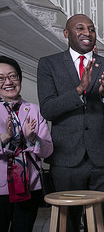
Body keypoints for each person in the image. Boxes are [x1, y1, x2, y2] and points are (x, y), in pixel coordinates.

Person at [37, 14, 104, 232]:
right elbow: (48, 109)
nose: (87, 33)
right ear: (66, 34)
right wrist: (78, 91)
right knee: (69, 223)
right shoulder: (49, 64)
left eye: (92, 29)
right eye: (80, 28)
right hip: (66, 159)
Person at [0, 56, 53, 231]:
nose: (8, 82)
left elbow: (47, 151)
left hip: (29, 186)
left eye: (12, 76)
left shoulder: (34, 109)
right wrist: (5, 136)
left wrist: (33, 139)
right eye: (1, 78)